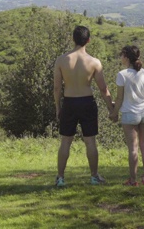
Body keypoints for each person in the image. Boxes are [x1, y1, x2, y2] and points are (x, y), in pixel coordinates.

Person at [53, 25, 114, 187]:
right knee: (90, 141)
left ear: (73, 39)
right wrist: (111, 108)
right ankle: (94, 176)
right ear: (88, 40)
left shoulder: (61, 60)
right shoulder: (94, 62)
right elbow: (103, 88)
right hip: (87, 102)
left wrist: (58, 107)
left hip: (69, 102)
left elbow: (57, 88)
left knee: (65, 141)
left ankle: (60, 178)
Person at [110, 45, 144, 186]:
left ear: (126, 57)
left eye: (121, 55)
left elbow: (121, 98)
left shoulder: (122, 75)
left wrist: (114, 113)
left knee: (133, 148)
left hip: (130, 114)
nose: (120, 58)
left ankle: (133, 180)